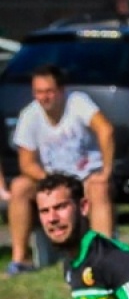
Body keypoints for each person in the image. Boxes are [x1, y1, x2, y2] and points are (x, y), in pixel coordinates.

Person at [9, 64, 117, 275]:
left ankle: (104, 258)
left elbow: (106, 130)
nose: (44, 97)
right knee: (20, 186)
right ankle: (20, 259)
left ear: (61, 90)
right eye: (39, 92)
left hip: (86, 177)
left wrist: (106, 169)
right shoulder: (29, 115)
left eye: (49, 91)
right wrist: (50, 180)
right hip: (52, 179)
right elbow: (26, 163)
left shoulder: (77, 103)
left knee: (99, 187)